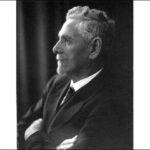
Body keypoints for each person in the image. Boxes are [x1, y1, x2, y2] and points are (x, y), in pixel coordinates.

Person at [18, 6, 132, 149]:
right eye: (59, 39)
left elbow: (28, 131)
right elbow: (20, 128)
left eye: (67, 40)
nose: (55, 48)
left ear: (94, 48)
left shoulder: (111, 102)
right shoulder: (56, 82)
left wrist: (33, 136)